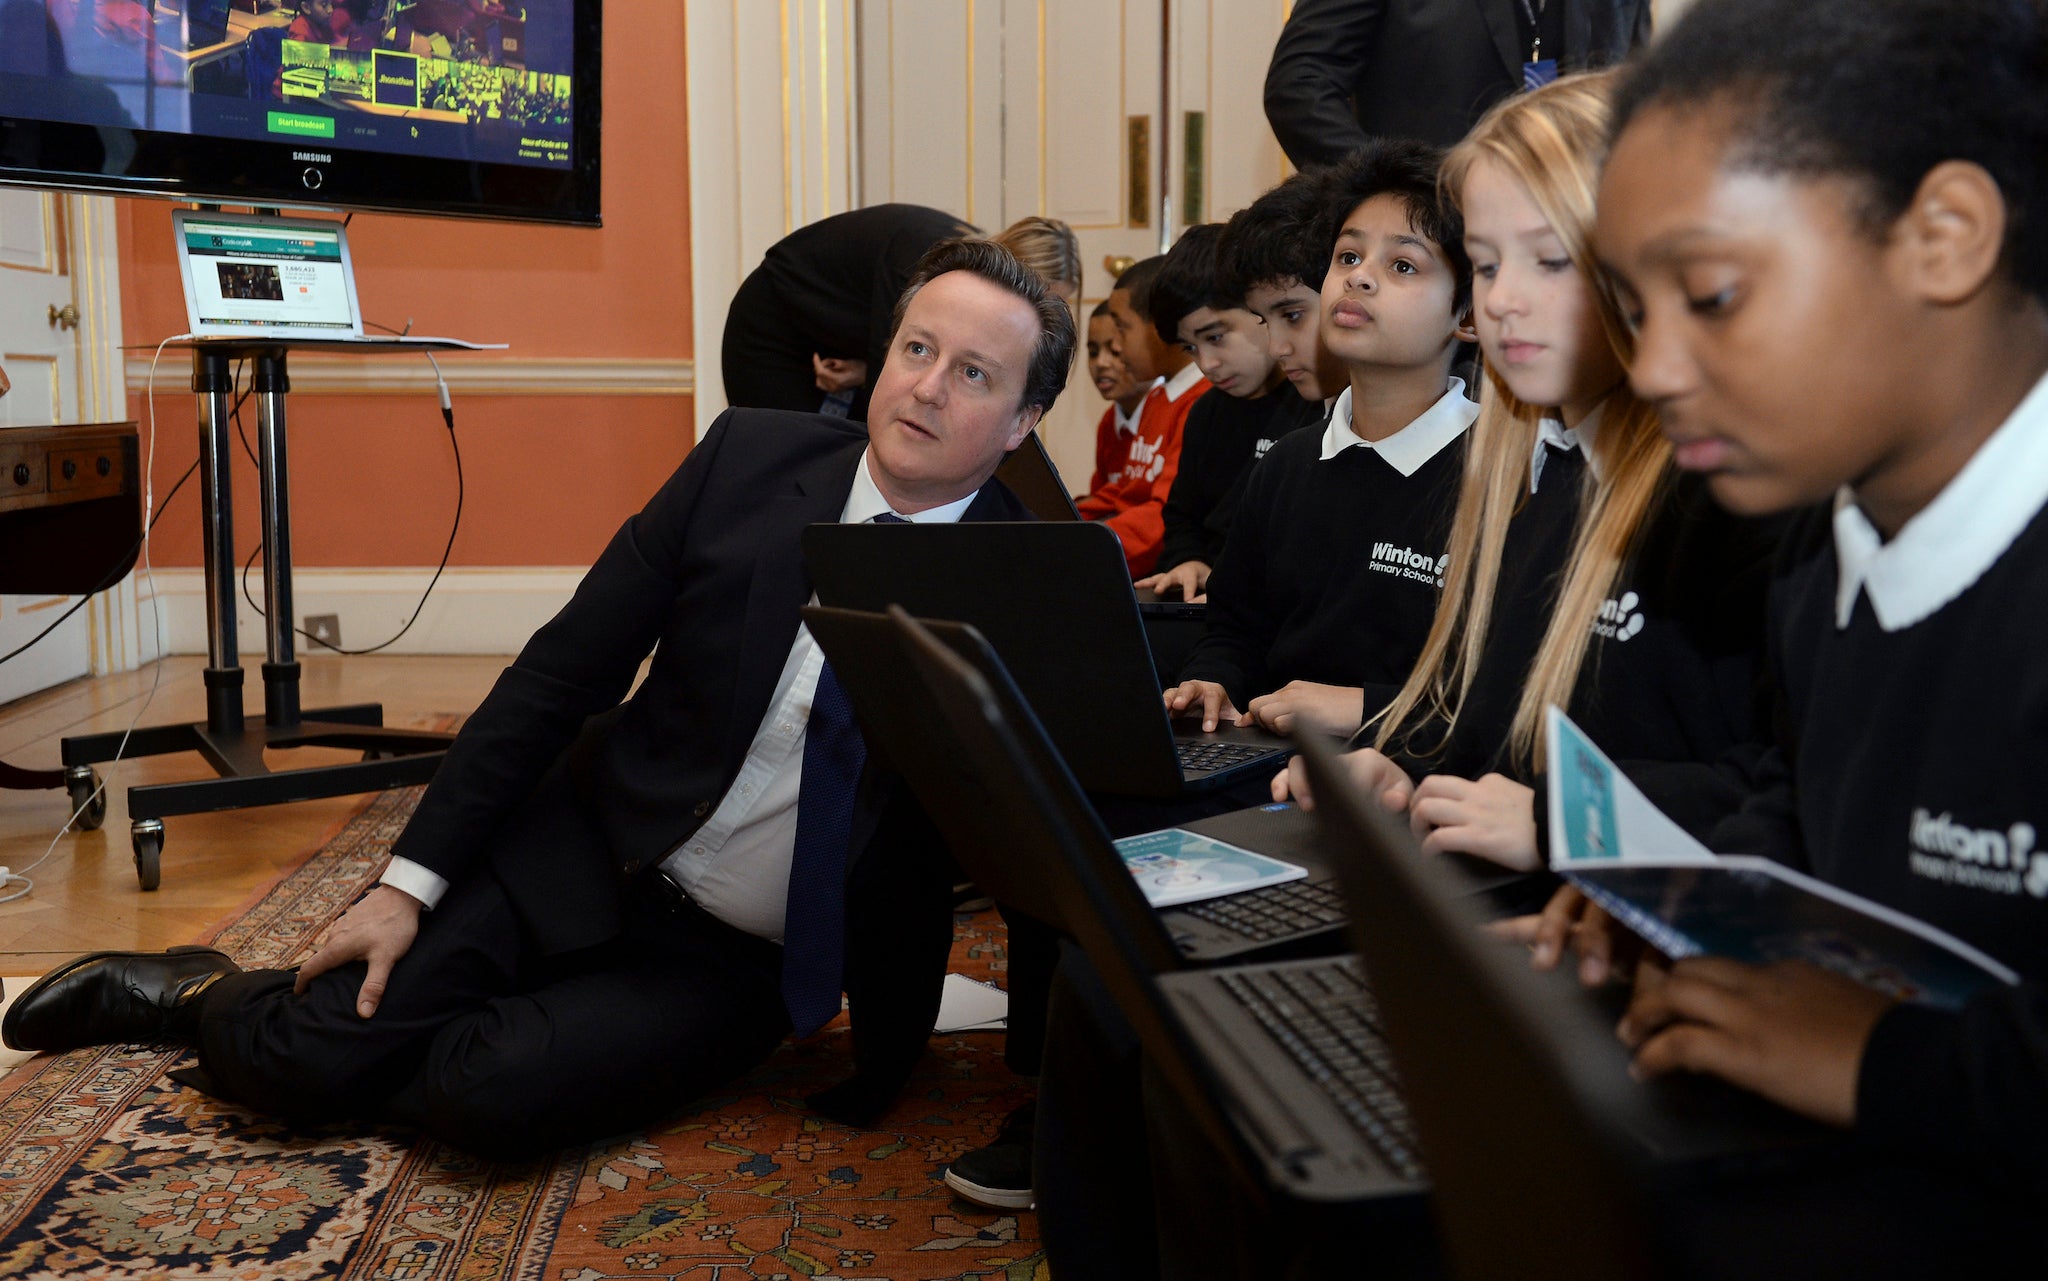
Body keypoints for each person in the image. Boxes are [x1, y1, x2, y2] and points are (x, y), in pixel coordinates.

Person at [2, 240, 1076, 1160]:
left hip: (733, 960)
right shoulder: (750, 458)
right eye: (916, 350)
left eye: (973, 374)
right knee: (301, 1058)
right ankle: (200, 992)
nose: (927, 387)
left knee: (494, 1101)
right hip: (581, 843)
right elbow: (563, 672)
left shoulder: (1032, 588)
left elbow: (1047, 833)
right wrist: (409, 887)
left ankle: (442, 1032)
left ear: (1022, 420)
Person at [1514, 0, 2048, 1271]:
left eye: (1708, 294)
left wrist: (1878, 1059)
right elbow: (1800, 804)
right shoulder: (1817, 544)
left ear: (1943, 237)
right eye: (1633, 309)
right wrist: (1691, 907)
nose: (1649, 369)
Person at [1277, 71, 1780, 878]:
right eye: (1484, 263)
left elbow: (1787, 797)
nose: (1504, 299)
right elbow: (1485, 722)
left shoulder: (1739, 501)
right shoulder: (1536, 477)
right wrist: (1397, 764)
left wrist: (1565, 821)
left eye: (1551, 260)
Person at [1168, 140, 1477, 740]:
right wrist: (1213, 683)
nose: (1359, 276)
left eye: (1403, 265)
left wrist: (1365, 707)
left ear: (1467, 313)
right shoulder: (1288, 464)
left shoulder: (1499, 477)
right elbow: (1234, 631)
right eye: (1347, 256)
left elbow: (1494, 694)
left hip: (1411, 769)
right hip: (1272, 756)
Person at [720, 207, 1079, 420]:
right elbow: (889, 379)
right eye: (1039, 299)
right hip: (771, 334)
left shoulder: (963, 260)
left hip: (822, 338)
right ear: (1016, 269)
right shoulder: (928, 263)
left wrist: (863, 370)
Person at [1133, 223, 1322, 605]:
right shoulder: (1206, 412)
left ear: (1260, 309)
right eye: (1190, 348)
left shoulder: (1316, 404)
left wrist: (1234, 589)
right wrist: (1188, 561)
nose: (1207, 364)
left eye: (1216, 337)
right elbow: (1182, 515)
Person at [1261, 0, 1652, 165]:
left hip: (1571, 249)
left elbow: (1639, 99)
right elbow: (1298, 87)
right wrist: (1398, 186)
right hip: (1426, 252)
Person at [1077, 257, 1210, 577]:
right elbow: (1123, 490)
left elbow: (1162, 516)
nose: (1118, 348)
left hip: (1151, 562)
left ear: (1159, 325)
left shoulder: (1199, 403)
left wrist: (1080, 546)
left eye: (1121, 329)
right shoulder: (1157, 399)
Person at [1082, 301, 1151, 481]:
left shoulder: (1171, 413)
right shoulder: (1108, 423)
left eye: (1115, 351)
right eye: (1093, 352)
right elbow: (1102, 495)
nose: (1101, 363)